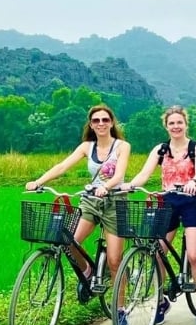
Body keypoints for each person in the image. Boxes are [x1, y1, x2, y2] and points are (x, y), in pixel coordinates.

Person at [26, 104, 132, 306]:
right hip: (91, 201)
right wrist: (39, 182)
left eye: (105, 120)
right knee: (69, 241)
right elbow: (63, 166)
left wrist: (107, 187)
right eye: (96, 120)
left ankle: (120, 308)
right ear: (91, 125)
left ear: (111, 123)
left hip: (114, 202)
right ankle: (88, 272)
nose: (101, 124)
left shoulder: (122, 146)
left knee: (115, 260)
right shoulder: (86, 147)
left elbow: (119, 175)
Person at [125, 105, 196, 325]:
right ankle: (161, 301)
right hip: (167, 201)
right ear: (166, 126)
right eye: (171, 123)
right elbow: (144, 174)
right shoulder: (161, 150)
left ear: (185, 124)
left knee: (194, 255)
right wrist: (129, 185)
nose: (176, 126)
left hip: (191, 201)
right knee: (157, 253)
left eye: (179, 122)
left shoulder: (195, 147)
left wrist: (193, 182)